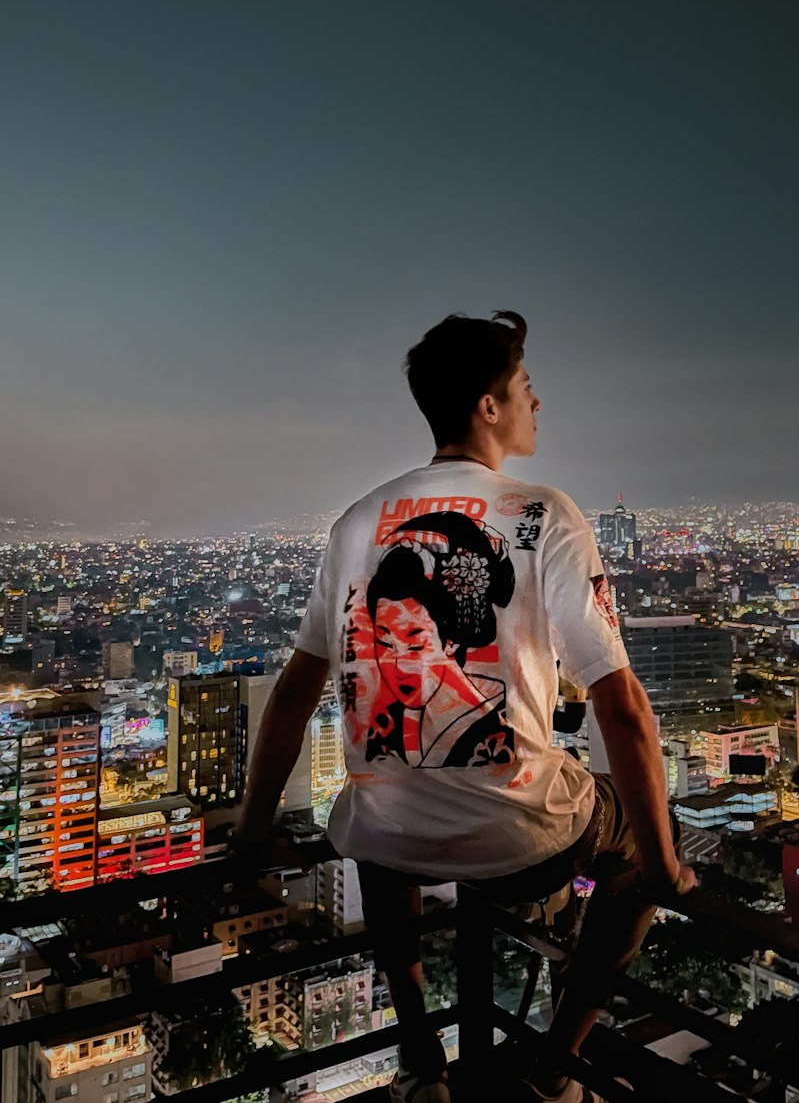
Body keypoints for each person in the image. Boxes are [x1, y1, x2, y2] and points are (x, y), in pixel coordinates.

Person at [232, 311, 695, 1103]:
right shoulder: (544, 512)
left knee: (379, 805)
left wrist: (249, 833)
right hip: (526, 835)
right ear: (489, 405)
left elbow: (293, 693)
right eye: (525, 388)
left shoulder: (353, 523)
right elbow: (623, 709)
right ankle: (556, 1067)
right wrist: (661, 865)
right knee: (643, 847)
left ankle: (420, 1060)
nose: (537, 402)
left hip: (389, 845)